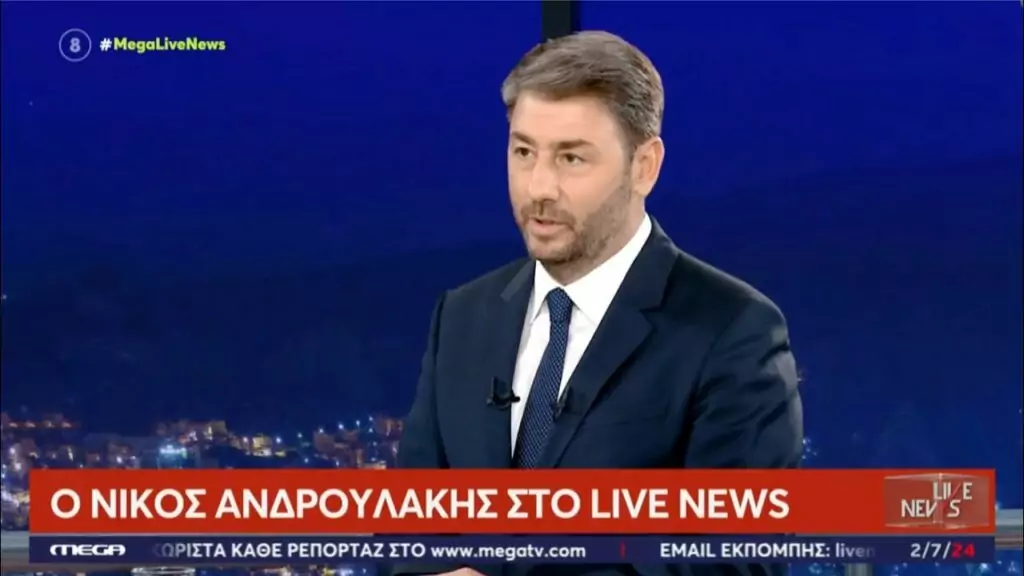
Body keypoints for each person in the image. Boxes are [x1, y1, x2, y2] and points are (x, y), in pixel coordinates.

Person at [395, 30, 803, 576]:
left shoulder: (732, 330)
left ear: (644, 166)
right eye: (523, 152)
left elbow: (735, 562)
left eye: (571, 158)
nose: (539, 187)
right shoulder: (462, 317)